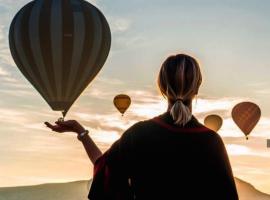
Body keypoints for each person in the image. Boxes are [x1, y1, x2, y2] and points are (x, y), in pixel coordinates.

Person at [45, 54, 239, 200]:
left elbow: (105, 173)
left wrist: (81, 133)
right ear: (197, 88)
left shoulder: (139, 135)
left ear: (162, 88)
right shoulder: (211, 141)